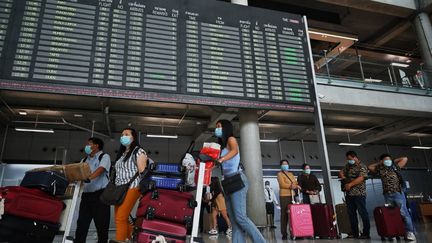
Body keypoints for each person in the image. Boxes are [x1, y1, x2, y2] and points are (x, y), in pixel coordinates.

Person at [215, 120, 266, 243]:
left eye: (219, 127)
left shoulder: (231, 139)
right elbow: (218, 163)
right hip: (227, 183)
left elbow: (235, 151)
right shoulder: (221, 146)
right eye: (216, 127)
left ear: (225, 128)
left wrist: (221, 159)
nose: (217, 129)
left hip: (237, 179)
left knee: (240, 217)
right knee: (234, 220)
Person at [368, 154, 416, 241]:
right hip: (387, 195)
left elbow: (405, 158)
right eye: (385, 160)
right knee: (391, 214)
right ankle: (393, 232)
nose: (388, 161)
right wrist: (380, 163)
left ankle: (409, 232)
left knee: (403, 213)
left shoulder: (395, 167)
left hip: (398, 193)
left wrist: (393, 160)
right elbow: (370, 167)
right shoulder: (380, 170)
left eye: (389, 160)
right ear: (382, 161)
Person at [112, 128, 148, 242]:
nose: (123, 136)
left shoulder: (139, 151)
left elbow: (143, 171)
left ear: (133, 137)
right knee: (123, 218)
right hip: (119, 188)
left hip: (132, 187)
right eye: (122, 134)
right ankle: (132, 238)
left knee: (120, 218)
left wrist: (144, 191)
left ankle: (120, 240)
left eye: (126, 134)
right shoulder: (122, 154)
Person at [75, 137, 111, 243]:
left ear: (96, 146)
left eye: (89, 144)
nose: (87, 146)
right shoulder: (84, 160)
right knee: (82, 224)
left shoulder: (104, 157)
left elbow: (101, 169)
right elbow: (79, 175)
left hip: (100, 196)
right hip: (86, 197)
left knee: (101, 225)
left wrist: (89, 178)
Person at [339, 151, 370, 239]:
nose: (349, 161)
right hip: (349, 194)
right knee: (351, 214)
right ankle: (355, 233)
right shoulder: (348, 166)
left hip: (359, 194)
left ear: (355, 157)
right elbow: (341, 171)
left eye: (350, 159)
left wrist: (350, 184)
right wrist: (344, 177)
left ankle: (366, 233)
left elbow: (362, 178)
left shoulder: (362, 166)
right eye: (347, 159)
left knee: (363, 213)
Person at [277, 159, 300, 240]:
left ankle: (294, 233)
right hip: (284, 196)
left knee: (293, 215)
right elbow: (282, 184)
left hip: (292, 196)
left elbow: (295, 182)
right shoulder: (279, 174)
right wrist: (291, 186)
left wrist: (294, 185)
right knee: (284, 215)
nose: (285, 165)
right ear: (281, 166)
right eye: (283, 164)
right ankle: (284, 234)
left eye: (286, 164)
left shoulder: (291, 174)